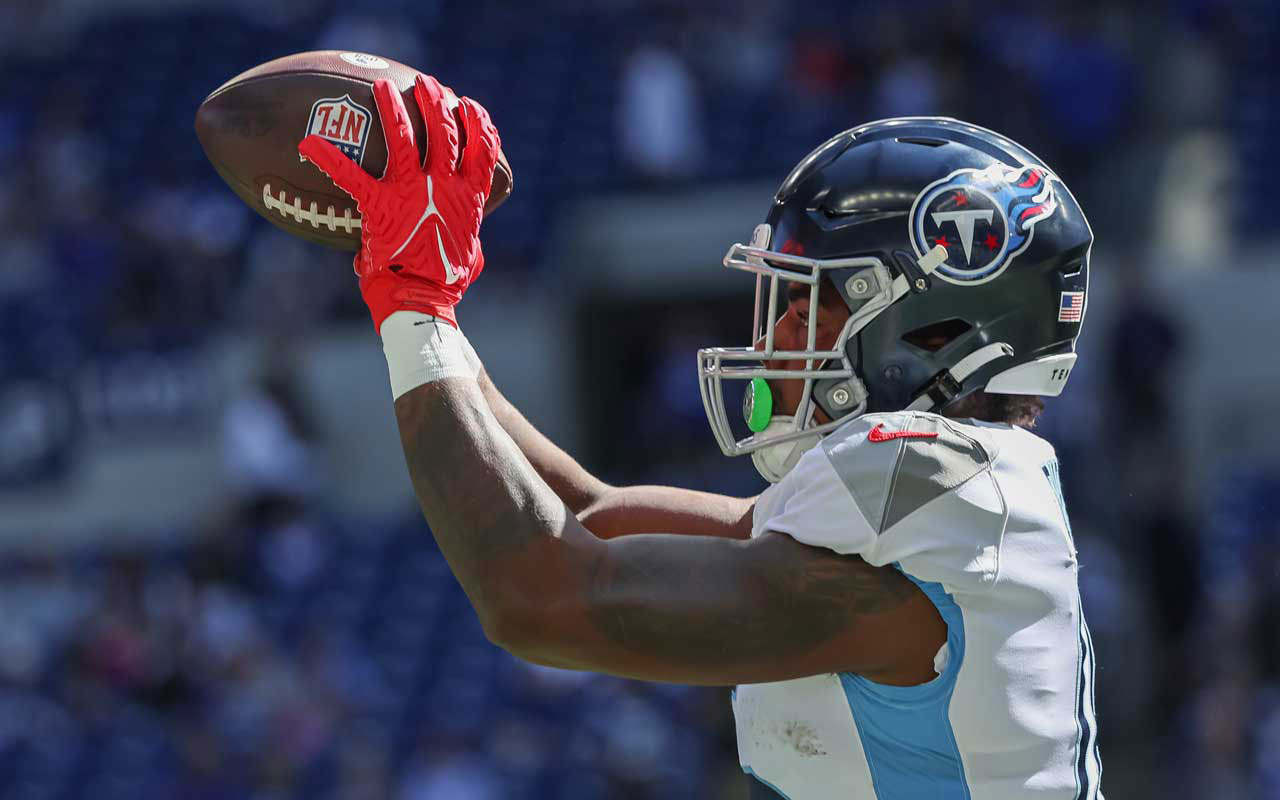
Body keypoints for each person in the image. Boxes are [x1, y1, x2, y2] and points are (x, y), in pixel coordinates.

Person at [298, 76, 1101, 799]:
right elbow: (592, 513)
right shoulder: (964, 495)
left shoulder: (929, 482)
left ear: (930, 333)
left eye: (808, 302)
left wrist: (409, 310)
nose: (780, 332)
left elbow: (540, 601)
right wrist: (429, 303)